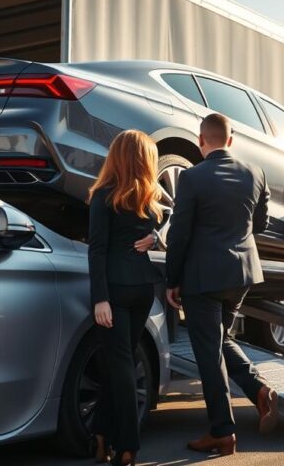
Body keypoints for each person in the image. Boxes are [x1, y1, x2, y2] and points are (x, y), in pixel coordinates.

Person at [165, 113, 278, 456]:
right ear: (230, 140)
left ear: (202, 141)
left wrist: (173, 280)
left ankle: (222, 432)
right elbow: (261, 223)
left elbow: (179, 233)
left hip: (204, 278)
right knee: (220, 338)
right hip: (241, 275)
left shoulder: (191, 177)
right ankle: (259, 390)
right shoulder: (255, 173)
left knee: (209, 353)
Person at [87, 130, 165, 466]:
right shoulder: (149, 201)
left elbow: (98, 250)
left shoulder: (104, 196)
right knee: (116, 366)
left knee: (119, 367)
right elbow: (171, 222)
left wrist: (99, 298)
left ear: (116, 156)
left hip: (117, 293)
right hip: (143, 291)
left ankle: (128, 447)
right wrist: (157, 237)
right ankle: (102, 434)